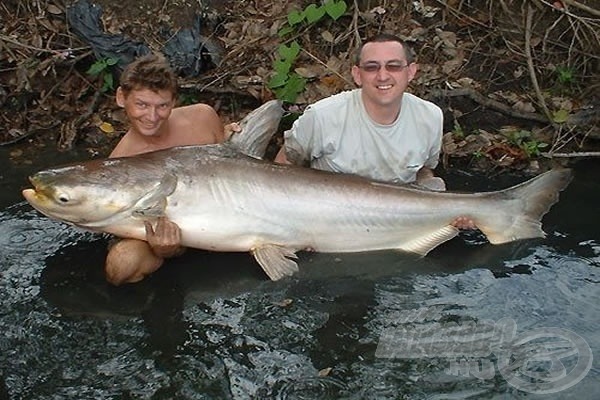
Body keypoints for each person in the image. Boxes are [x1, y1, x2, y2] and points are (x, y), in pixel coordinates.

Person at [274, 33, 474, 229]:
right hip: (328, 226)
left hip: (400, 223)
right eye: (371, 67)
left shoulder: (430, 116)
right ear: (357, 75)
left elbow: (424, 171)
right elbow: (281, 171)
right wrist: (296, 227)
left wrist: (446, 208)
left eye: (394, 66)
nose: (383, 76)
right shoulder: (322, 116)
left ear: (411, 71)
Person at [105, 53, 226, 285]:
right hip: (156, 234)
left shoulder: (202, 118)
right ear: (122, 98)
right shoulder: (122, 161)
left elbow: (233, 162)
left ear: (174, 102)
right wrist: (163, 248)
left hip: (218, 213)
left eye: (162, 106)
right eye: (142, 105)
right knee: (121, 265)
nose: (152, 116)